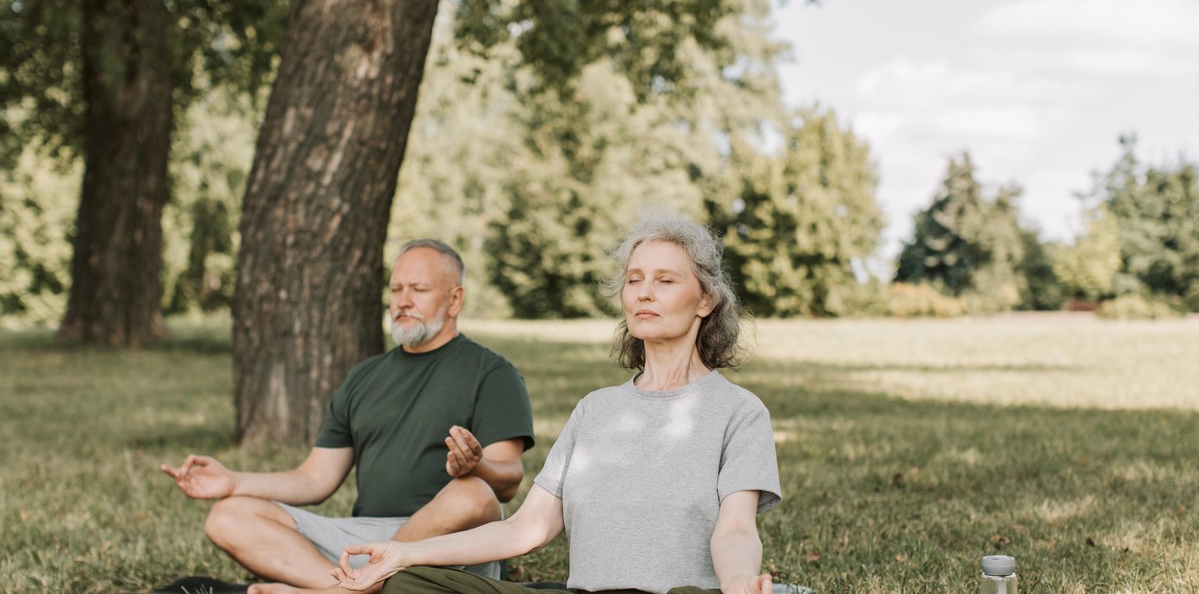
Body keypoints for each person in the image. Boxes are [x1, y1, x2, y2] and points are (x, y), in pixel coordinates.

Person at [330, 214, 783, 594]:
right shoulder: (595, 410)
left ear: (705, 299)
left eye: (665, 280)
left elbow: (737, 529)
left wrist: (740, 581)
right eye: (634, 280)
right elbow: (525, 529)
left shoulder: (738, 412)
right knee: (409, 583)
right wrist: (405, 552)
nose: (644, 292)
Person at [161, 239, 535, 594]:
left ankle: (340, 589)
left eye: (418, 290)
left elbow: (507, 483)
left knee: (474, 493)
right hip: (366, 540)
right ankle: (352, 589)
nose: (403, 301)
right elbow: (314, 479)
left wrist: (478, 465)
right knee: (228, 516)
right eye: (395, 290)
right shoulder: (365, 376)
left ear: (455, 300)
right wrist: (232, 482)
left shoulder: (491, 372)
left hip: (445, 542)